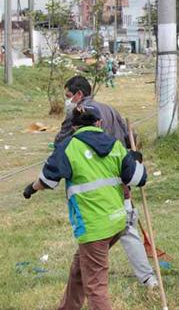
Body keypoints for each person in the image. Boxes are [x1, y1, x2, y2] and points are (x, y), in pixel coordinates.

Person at [23, 105, 148, 310]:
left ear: (73, 127)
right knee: (79, 270)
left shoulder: (68, 147)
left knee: (96, 288)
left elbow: (46, 180)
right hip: (117, 221)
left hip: (93, 228)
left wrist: (31, 189)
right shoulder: (115, 145)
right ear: (98, 123)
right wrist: (135, 160)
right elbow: (139, 178)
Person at [54, 75, 157, 288]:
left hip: (93, 185)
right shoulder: (110, 110)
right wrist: (133, 158)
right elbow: (132, 138)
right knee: (126, 227)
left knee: (97, 233)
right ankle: (148, 278)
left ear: (79, 94)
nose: (67, 101)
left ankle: (89, 271)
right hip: (120, 179)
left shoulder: (77, 115)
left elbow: (60, 144)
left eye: (68, 96)